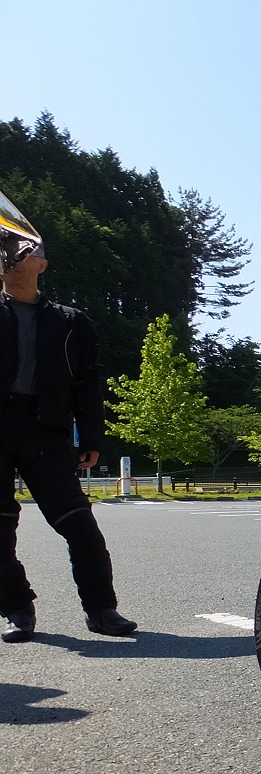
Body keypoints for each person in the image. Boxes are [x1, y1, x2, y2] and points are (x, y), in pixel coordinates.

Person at [0, 236, 136, 642]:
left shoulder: (71, 322)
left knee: (78, 524)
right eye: (5, 253)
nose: (11, 258)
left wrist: (91, 436)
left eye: (23, 253)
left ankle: (102, 610)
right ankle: (17, 608)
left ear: (41, 265)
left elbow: (87, 384)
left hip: (46, 431)